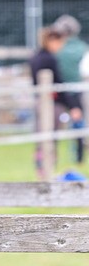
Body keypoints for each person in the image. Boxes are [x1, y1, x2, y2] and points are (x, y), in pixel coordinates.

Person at [30, 25, 84, 179]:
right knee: (49, 139)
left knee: (43, 139)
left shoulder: (36, 57)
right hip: (51, 105)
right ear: (51, 40)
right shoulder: (49, 59)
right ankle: (46, 172)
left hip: (42, 103)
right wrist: (72, 106)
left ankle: (44, 172)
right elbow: (58, 85)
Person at [51, 15, 86, 165]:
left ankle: (51, 156)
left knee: (53, 125)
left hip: (58, 92)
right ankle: (79, 156)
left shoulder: (57, 48)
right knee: (78, 124)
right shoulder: (83, 48)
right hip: (78, 91)